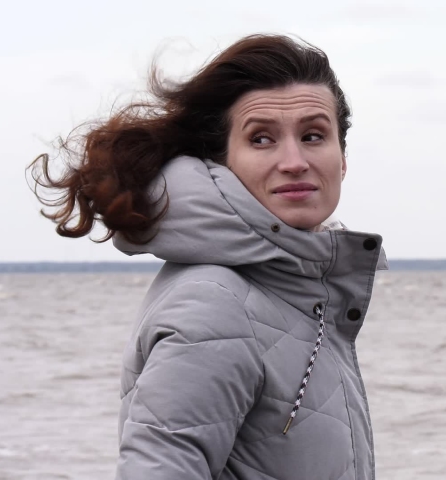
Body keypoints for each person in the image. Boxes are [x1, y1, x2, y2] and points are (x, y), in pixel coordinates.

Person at [29, 34, 388, 480]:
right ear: (222, 162)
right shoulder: (214, 304)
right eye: (261, 140)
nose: (294, 161)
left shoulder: (296, 292)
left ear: (343, 157)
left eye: (313, 135)